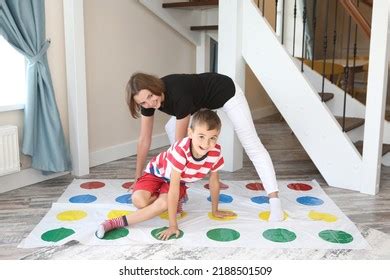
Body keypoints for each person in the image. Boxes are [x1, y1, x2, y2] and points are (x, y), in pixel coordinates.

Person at [126, 72, 284, 222]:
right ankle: (177, 187)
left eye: (151, 96)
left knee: (251, 144)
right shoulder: (146, 102)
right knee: (171, 129)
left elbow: (180, 146)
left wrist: (174, 184)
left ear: (155, 87)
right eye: (143, 102)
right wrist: (137, 178)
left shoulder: (178, 93)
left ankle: (275, 201)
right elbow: (144, 139)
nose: (150, 103)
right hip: (197, 102)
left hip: (226, 92)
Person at [96, 109, 236, 240]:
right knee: (139, 201)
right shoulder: (182, 150)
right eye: (201, 136)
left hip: (178, 180)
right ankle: (172, 201)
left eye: (213, 138)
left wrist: (215, 210)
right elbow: (173, 187)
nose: (206, 143)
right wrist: (173, 224)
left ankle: (114, 223)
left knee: (163, 204)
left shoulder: (215, 152)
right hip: (157, 173)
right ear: (190, 133)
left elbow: (214, 181)